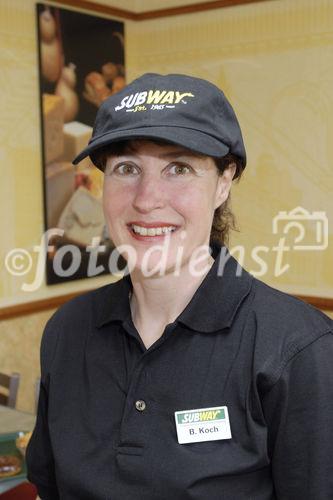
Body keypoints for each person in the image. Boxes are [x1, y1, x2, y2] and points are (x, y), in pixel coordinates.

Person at [26, 73, 333, 499]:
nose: (147, 199)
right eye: (127, 168)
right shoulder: (66, 331)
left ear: (223, 182)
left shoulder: (296, 348)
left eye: (179, 168)